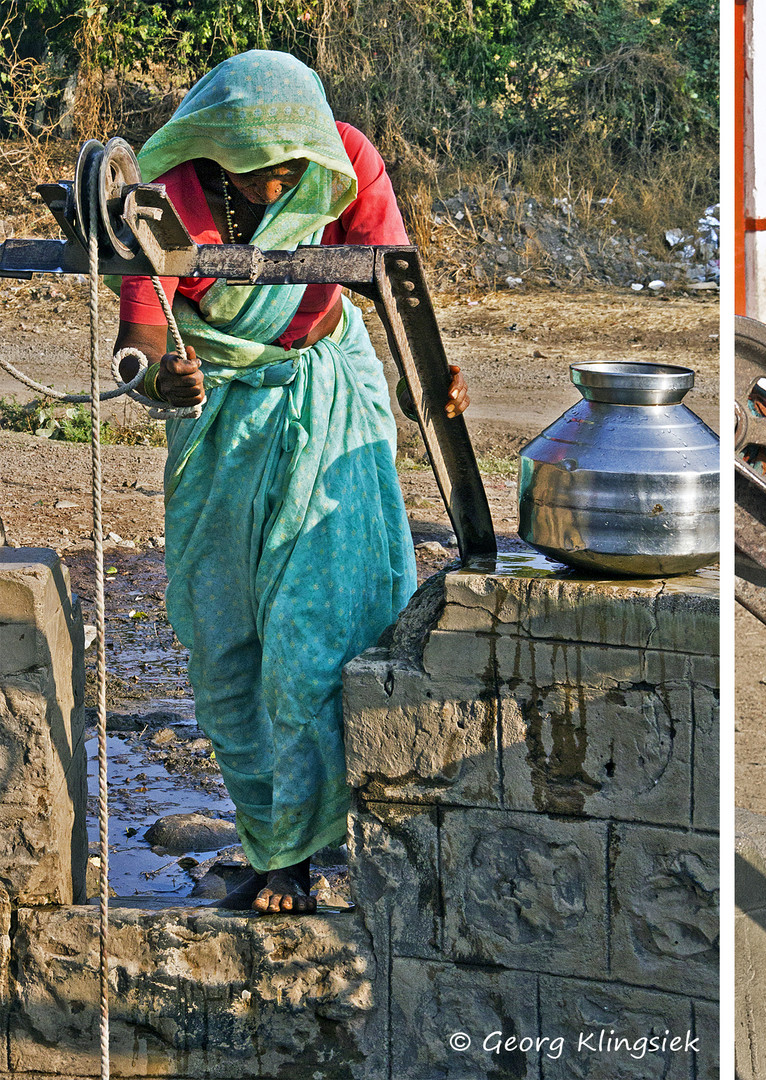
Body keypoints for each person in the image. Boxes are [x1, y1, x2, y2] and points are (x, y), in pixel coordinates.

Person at [109, 50, 469, 915]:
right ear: (218, 145)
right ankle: (271, 840)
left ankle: (302, 857)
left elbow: (395, 286)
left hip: (323, 393)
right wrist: (163, 380)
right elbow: (142, 338)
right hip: (222, 410)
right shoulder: (163, 190)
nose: (283, 184)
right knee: (222, 634)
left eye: (293, 167)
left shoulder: (344, 163)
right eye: (265, 170)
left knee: (315, 633)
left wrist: (435, 374)